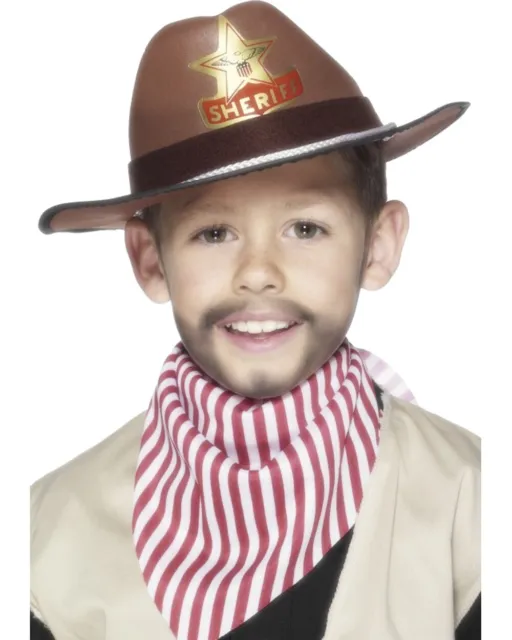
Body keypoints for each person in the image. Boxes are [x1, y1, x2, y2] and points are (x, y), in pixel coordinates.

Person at [30, 1, 481, 639]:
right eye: (214, 233)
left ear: (378, 245)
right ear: (149, 261)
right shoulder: (43, 541)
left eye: (306, 228)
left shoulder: (476, 507)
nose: (259, 271)